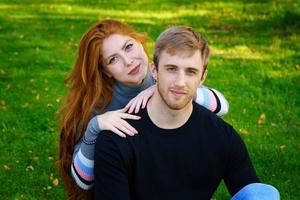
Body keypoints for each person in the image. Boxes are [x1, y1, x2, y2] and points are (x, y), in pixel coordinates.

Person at [93, 26, 280, 199]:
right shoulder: (116, 139)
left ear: (202, 77)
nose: (180, 82)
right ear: (155, 71)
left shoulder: (222, 136)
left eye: (191, 71)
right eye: (171, 69)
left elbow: (253, 193)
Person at [58, 20, 229, 199]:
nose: (128, 61)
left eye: (128, 47)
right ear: (106, 71)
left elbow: (221, 106)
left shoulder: (163, 72)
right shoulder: (99, 105)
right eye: (113, 59)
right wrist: (94, 127)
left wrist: (159, 89)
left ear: (139, 41)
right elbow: (83, 180)